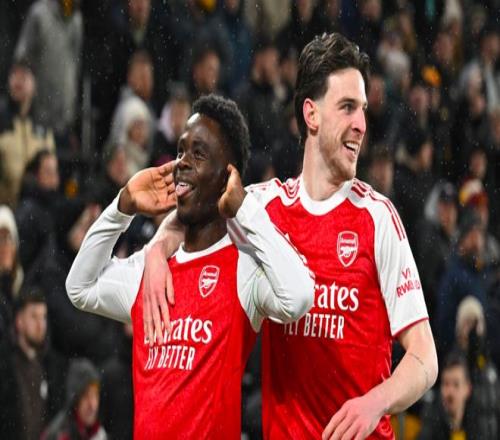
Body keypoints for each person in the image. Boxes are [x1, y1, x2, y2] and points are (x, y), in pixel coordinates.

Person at [144, 33, 438, 439]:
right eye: (348, 107)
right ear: (311, 115)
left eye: (364, 110)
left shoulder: (378, 218)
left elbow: (425, 358)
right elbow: (193, 213)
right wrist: (157, 250)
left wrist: (375, 402)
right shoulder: (263, 209)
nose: (361, 125)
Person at [65, 94, 314, 438]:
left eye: (198, 154)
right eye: (181, 150)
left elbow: (299, 297)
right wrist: (122, 207)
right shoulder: (151, 269)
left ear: (227, 177)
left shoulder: (242, 270)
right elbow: (79, 287)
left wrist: (244, 208)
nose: (182, 162)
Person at [0, 287, 66, 440]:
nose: (40, 325)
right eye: (34, 317)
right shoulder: (5, 363)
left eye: (43, 317)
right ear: (19, 321)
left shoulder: (49, 365)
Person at [42, 358, 106, 440]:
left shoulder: (99, 434)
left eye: (95, 395)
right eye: (86, 396)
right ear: (75, 400)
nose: (93, 405)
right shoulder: (59, 435)